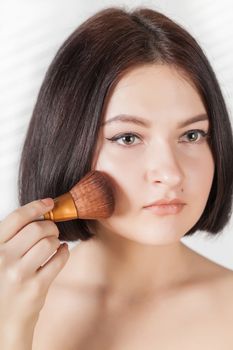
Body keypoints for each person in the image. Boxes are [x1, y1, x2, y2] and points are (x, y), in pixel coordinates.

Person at [1, 6, 233, 349]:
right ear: (68, 144)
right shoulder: (12, 305)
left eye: (192, 135)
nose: (170, 173)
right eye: (128, 138)